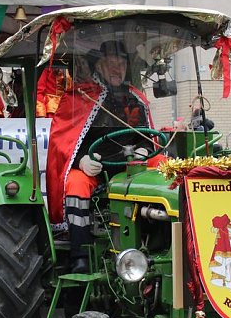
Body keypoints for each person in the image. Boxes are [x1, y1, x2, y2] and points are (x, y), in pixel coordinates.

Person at [46, 40, 153, 273]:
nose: (118, 69)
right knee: (76, 184)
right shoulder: (79, 97)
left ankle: (159, 240)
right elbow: (62, 141)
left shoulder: (134, 98)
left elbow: (146, 135)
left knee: (164, 167)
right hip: (93, 168)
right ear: (99, 65)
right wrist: (82, 159)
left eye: (122, 63)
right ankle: (80, 254)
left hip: (130, 167)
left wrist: (145, 148)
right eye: (112, 63)